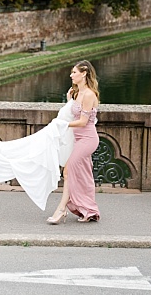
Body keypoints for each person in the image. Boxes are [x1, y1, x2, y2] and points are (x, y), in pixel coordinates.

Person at [47, 60, 102, 224]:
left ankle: (61, 210)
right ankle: (88, 210)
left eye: (74, 72)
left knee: (69, 170)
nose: (71, 75)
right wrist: (69, 100)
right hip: (77, 138)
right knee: (77, 174)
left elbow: (83, 122)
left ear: (84, 73)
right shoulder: (77, 93)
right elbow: (72, 114)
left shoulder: (89, 94)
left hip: (88, 139)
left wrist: (61, 125)